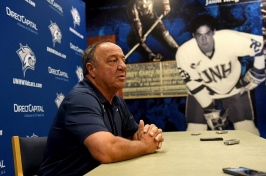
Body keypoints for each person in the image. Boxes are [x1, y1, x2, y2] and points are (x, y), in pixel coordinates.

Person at [38, 41, 164, 176]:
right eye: (113, 61)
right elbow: (105, 150)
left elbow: (134, 136)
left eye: (123, 60)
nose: (122, 66)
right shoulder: (80, 99)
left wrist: (149, 135)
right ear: (91, 69)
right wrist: (145, 145)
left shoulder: (117, 100)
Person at [175, 14, 265, 135]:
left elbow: (260, 45)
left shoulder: (227, 39)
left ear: (214, 33)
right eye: (199, 35)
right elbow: (193, 83)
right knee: (194, 130)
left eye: (207, 34)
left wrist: (259, 70)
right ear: (193, 36)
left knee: (247, 128)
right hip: (204, 91)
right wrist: (208, 109)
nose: (204, 39)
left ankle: (255, 154)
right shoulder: (184, 52)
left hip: (234, 87)